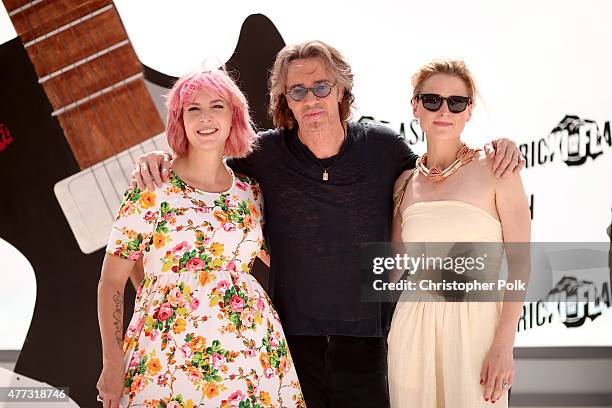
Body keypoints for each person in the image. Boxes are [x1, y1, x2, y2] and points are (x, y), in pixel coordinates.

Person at [131, 40, 525, 407]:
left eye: (321, 87)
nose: (311, 99)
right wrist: (161, 159)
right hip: (288, 343)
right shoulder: (262, 155)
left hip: (372, 343)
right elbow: (203, 174)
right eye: (297, 91)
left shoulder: (385, 148)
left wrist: (499, 148)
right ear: (286, 100)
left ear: (341, 91)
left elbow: (440, 179)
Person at [96, 69, 304, 408]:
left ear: (233, 116)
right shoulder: (152, 185)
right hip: (164, 356)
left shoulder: (251, 193)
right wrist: (112, 362)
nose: (205, 117)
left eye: (217, 106)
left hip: (250, 356)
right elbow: (111, 284)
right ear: (179, 120)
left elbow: (287, 262)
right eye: (193, 108)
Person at [387, 59, 530, 407]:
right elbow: (391, 269)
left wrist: (504, 344)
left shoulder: (498, 169)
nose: (444, 110)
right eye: (432, 99)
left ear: (469, 111)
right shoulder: (405, 183)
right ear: (415, 106)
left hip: (477, 328)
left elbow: (522, 265)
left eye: (457, 102)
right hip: (412, 327)